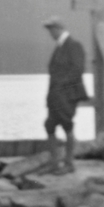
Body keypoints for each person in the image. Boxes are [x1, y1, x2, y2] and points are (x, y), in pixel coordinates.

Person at [42, 16, 88, 174]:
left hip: (67, 94)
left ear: (58, 29)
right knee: (49, 125)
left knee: (67, 124)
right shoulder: (60, 47)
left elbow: (77, 69)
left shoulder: (74, 45)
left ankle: (69, 163)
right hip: (56, 94)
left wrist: (61, 86)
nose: (50, 33)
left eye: (51, 30)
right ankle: (54, 162)